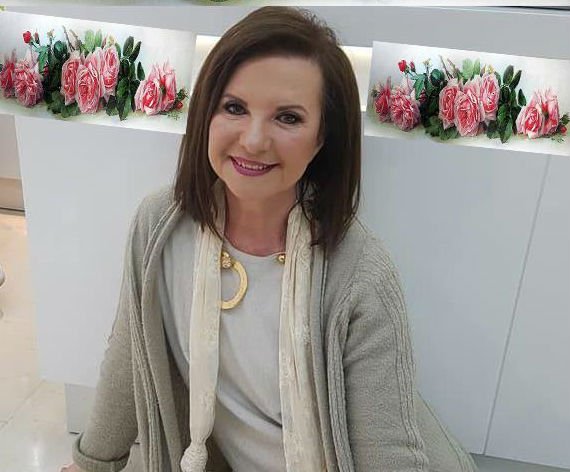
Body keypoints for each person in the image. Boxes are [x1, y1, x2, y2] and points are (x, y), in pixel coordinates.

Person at [61, 6, 478, 472]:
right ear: (206, 113)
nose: (254, 140)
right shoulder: (159, 226)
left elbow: (388, 450)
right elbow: (129, 352)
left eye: (288, 118)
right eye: (234, 108)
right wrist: (89, 466)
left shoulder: (360, 273)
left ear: (322, 139)